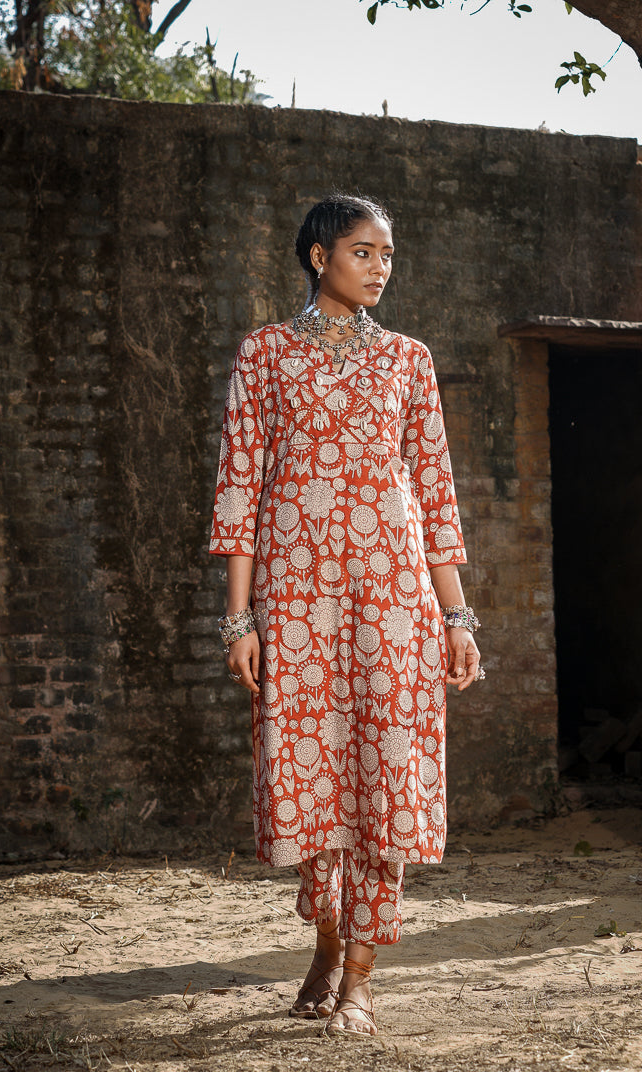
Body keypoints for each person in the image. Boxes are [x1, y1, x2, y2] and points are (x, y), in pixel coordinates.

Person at [209, 193, 482, 1036]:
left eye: (387, 255)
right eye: (363, 251)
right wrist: (240, 620)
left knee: (386, 778)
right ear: (319, 256)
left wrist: (458, 618)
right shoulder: (265, 354)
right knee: (313, 777)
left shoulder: (407, 360)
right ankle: (327, 941)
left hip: (393, 597)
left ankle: (359, 978)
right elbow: (240, 486)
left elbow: (434, 492)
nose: (379, 267)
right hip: (295, 599)